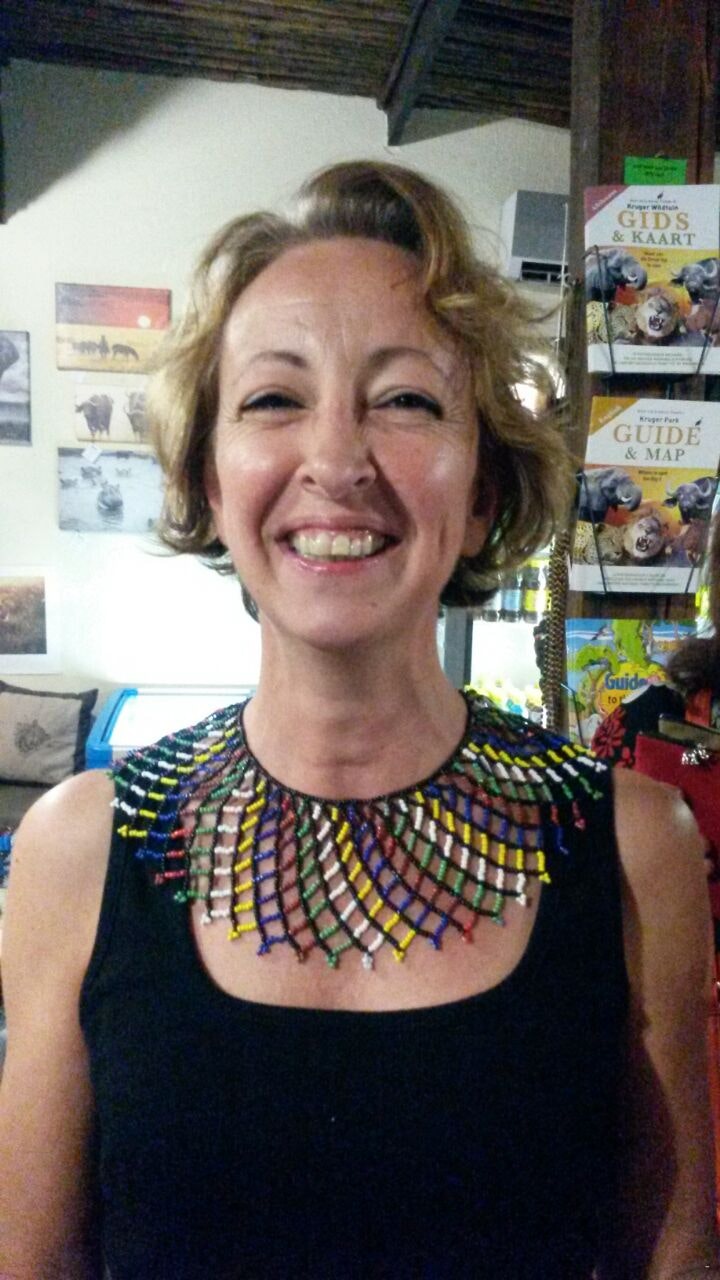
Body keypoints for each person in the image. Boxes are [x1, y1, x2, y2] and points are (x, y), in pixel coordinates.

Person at [0, 161, 717, 1279]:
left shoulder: (634, 847)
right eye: (274, 399)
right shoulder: (76, 852)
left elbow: (676, 1259)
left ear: (482, 491)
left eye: (406, 400)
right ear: (209, 477)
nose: (336, 461)